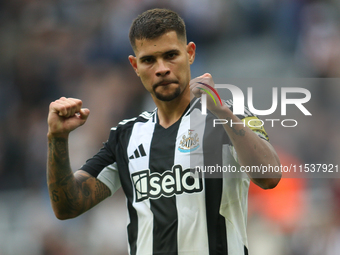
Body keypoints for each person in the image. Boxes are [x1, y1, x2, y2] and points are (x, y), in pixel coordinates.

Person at [47, 8, 281, 255]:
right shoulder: (125, 137)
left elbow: (270, 176)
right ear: (135, 65)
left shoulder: (228, 119)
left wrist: (223, 113)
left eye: (171, 55)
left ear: (190, 53)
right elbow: (67, 207)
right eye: (149, 60)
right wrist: (57, 139)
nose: (161, 68)